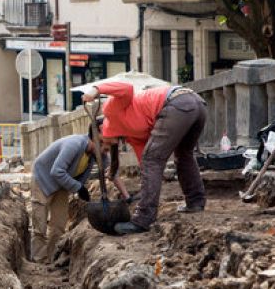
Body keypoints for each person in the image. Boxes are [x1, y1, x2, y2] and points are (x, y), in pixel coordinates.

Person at [82, 82, 207, 235]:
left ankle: (143, 219)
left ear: (101, 128)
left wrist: (96, 90)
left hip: (177, 105)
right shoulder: (133, 136)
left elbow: (126, 88)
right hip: (195, 105)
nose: (104, 146)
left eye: (101, 141)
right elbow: (146, 167)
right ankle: (195, 202)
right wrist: (143, 191)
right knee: (183, 154)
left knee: (154, 160)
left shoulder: (111, 110)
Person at [30, 121, 109, 263]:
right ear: (97, 140)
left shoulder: (94, 153)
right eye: (106, 148)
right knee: (40, 223)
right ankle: (39, 260)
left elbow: (110, 169)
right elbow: (56, 171)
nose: (106, 153)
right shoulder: (74, 145)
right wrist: (78, 188)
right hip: (43, 178)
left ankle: (52, 258)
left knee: (59, 223)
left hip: (62, 184)